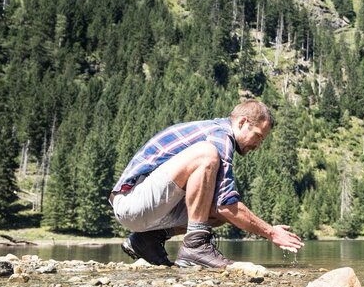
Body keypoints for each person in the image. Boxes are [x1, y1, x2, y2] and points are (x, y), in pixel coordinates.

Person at [109, 100, 304, 268]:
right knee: (206, 154)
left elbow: (221, 208)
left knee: (215, 214)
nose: (258, 145)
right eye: (258, 136)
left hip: (148, 207)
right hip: (131, 202)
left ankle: (146, 240)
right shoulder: (219, 135)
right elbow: (226, 203)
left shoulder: (218, 133)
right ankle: (195, 246)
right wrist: (270, 232)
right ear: (243, 122)